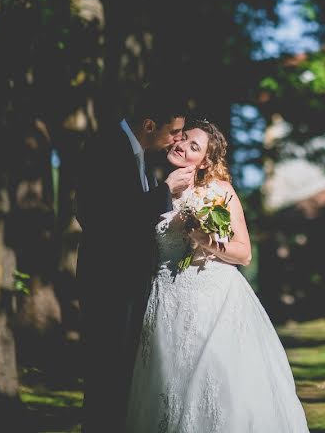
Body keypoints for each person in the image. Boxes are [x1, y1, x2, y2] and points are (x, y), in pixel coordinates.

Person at [125, 118, 309, 432]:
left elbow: (243, 253)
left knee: (215, 381)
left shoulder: (219, 191)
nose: (182, 146)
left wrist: (204, 237)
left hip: (214, 302)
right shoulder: (156, 189)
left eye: (193, 146)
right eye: (182, 139)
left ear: (206, 160)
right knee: (167, 383)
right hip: (167, 301)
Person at [75, 88, 195, 433]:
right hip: (108, 282)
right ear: (148, 124)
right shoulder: (105, 147)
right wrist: (163, 194)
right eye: (174, 132)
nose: (176, 139)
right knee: (105, 374)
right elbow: (95, 215)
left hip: (131, 282)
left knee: (123, 375)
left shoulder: (141, 157)